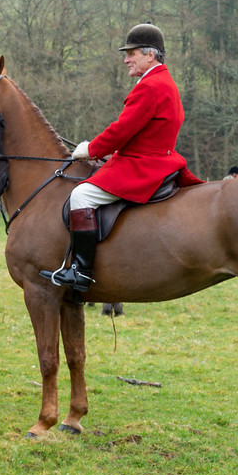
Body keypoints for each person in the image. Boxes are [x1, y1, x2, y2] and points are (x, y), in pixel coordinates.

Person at [41, 22, 203, 293]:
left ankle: (81, 271)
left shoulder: (149, 86)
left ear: (150, 55)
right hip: (159, 158)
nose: (126, 59)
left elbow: (121, 131)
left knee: (81, 196)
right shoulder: (165, 82)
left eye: (132, 53)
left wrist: (90, 149)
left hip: (143, 166)